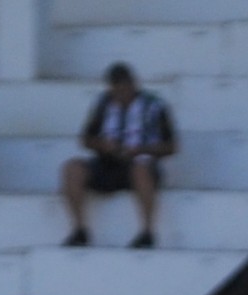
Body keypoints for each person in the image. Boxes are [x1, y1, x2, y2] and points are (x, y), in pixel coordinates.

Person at [62, 64, 178, 249]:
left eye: (126, 87)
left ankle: (147, 232)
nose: (122, 93)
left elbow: (172, 146)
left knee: (140, 169)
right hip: (107, 163)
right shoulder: (103, 103)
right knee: (72, 168)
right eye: (117, 89)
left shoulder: (155, 105)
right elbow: (86, 139)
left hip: (142, 163)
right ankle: (79, 230)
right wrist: (103, 145)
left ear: (134, 84)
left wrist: (141, 150)